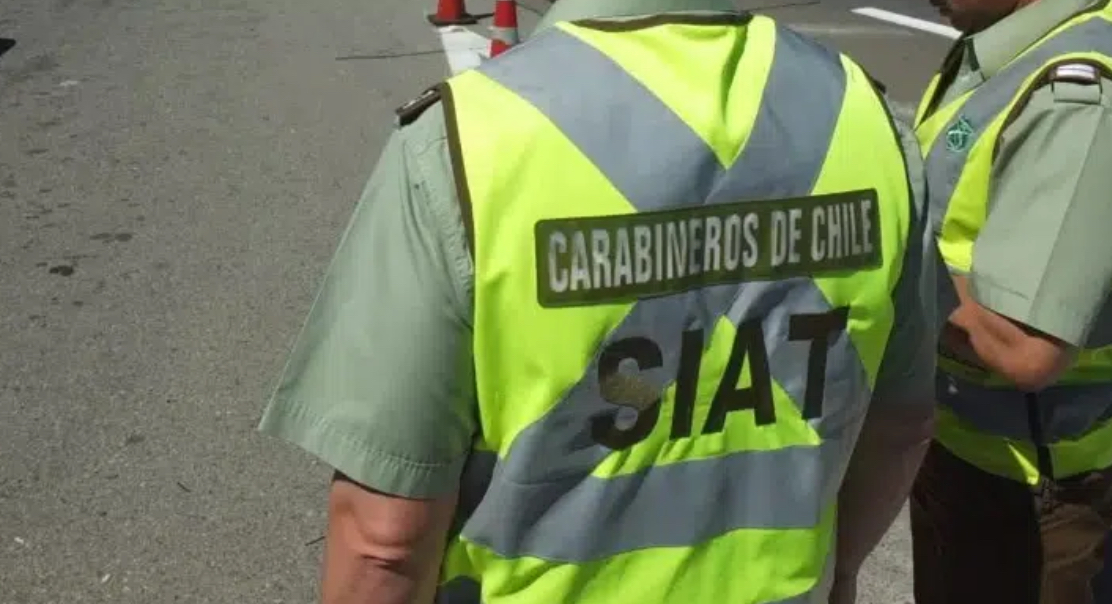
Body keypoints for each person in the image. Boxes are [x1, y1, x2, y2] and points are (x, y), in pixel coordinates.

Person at [257, 0, 938, 602]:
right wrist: (837, 576)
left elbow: (384, 542)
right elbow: (901, 426)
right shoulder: (861, 116)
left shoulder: (470, 136)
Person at [909, 0, 1112, 601]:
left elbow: (1026, 347)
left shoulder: (1074, 97)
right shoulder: (1001, 47)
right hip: (970, 452)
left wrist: (886, 264)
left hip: (1035, 491)